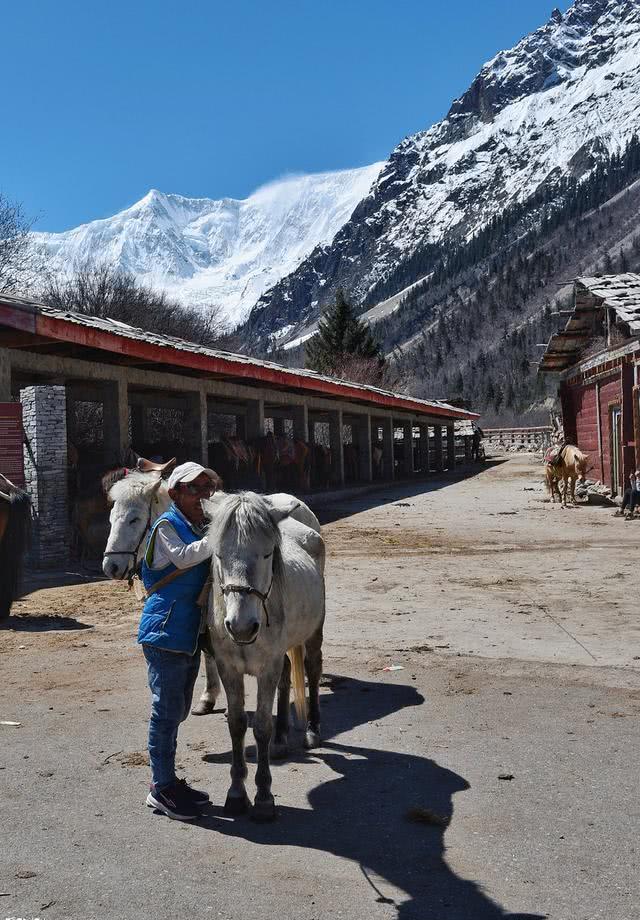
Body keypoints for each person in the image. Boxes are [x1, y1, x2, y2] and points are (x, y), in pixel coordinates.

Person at [138, 461, 219, 821]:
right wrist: (221, 534)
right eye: (194, 489)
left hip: (187, 635)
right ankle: (161, 787)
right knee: (166, 711)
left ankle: (169, 781)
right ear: (174, 494)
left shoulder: (196, 525)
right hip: (164, 633)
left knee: (179, 710)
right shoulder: (167, 525)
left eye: (207, 488)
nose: (202, 495)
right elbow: (186, 557)